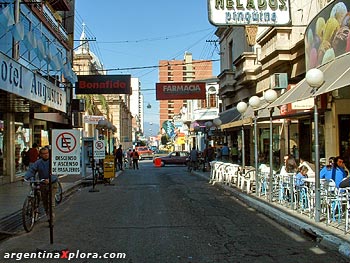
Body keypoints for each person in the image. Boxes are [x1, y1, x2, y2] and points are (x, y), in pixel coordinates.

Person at [24, 147, 58, 223]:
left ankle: (51, 217)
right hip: (42, 184)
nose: (45, 155)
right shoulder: (38, 162)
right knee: (45, 202)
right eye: (43, 154)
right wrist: (26, 177)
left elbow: (56, 172)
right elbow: (32, 170)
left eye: (47, 153)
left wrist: (50, 179)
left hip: (52, 184)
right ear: (40, 155)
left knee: (50, 202)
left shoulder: (53, 161)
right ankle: (48, 216)